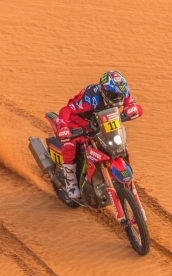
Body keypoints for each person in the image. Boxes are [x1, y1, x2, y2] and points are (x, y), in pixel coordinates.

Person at [57, 70, 143, 199]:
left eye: (120, 95)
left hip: (101, 123)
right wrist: (63, 128)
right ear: (105, 92)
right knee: (71, 144)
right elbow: (66, 109)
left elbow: (134, 105)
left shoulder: (122, 90)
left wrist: (133, 109)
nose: (118, 98)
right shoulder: (90, 97)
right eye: (114, 96)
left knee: (117, 144)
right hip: (78, 122)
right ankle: (70, 181)